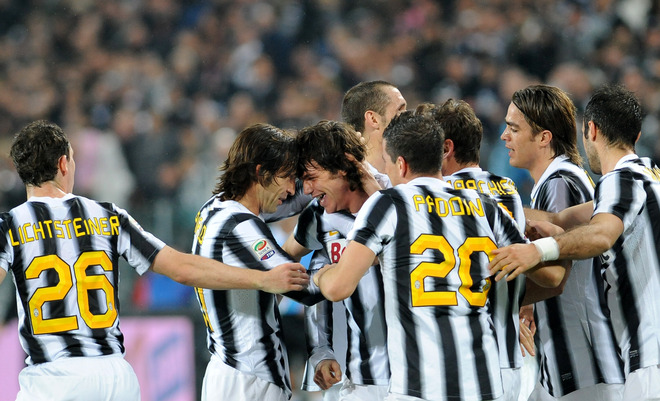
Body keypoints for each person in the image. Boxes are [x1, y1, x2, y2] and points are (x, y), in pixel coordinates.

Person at [0, 120, 309, 401]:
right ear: (63, 163)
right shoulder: (108, 216)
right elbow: (183, 269)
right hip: (114, 378)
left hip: (53, 379)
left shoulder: (10, 226)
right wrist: (262, 279)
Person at [314, 111, 565, 401]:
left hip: (420, 387)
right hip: (485, 385)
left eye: (386, 161)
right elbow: (553, 278)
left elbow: (337, 287)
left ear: (401, 163)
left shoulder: (389, 204)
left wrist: (321, 274)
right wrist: (559, 241)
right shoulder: (486, 207)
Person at [491, 84, 660, 401]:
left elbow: (599, 234)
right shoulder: (647, 176)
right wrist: (480, 203)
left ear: (591, 130)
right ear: (637, 135)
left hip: (641, 357)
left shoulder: (618, 179)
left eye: (513, 128)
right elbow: (563, 220)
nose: (504, 135)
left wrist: (536, 251)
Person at [191, 123, 324, 401]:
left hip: (228, 369)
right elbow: (304, 290)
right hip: (250, 377)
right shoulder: (241, 226)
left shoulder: (215, 208)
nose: (291, 187)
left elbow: (298, 199)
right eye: (287, 176)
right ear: (261, 172)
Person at [417, 99, 527, 401]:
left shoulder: (434, 198)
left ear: (446, 148)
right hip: (508, 355)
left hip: (460, 358)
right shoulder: (508, 189)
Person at [282, 120, 390, 401]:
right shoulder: (318, 217)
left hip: (416, 376)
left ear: (342, 166)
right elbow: (286, 266)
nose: (306, 189)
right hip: (360, 379)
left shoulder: (398, 197)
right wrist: (320, 350)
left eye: (311, 177)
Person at [341, 80, 407, 173]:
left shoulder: (414, 173)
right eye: (400, 111)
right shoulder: (346, 182)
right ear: (373, 119)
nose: (408, 116)